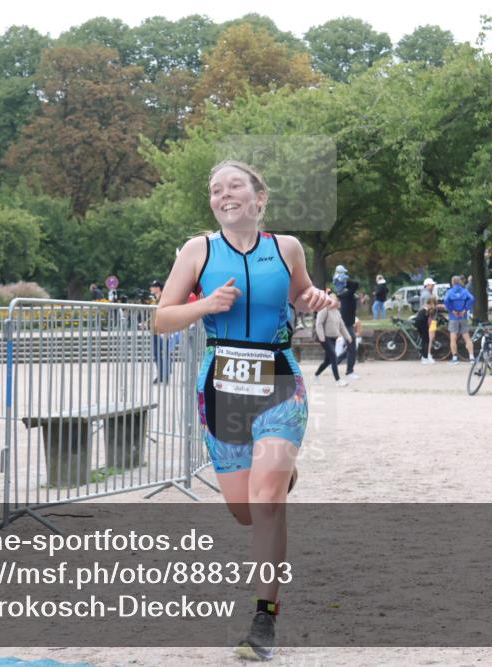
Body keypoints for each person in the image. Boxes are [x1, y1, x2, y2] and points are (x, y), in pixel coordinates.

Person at [154, 159, 333, 661]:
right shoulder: (198, 250)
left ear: (260, 199)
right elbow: (161, 320)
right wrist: (205, 305)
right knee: (243, 511)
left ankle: (262, 619)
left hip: (278, 378)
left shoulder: (288, 247)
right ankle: (276, 475)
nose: (224, 194)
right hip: (221, 384)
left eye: (235, 186)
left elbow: (300, 295)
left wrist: (315, 298)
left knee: (266, 499)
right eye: (215, 189)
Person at [313, 293, 352, 386]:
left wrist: (348, 337)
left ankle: (316, 375)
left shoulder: (337, 312)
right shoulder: (324, 309)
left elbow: (342, 326)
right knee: (334, 357)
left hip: (333, 338)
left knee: (327, 361)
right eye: (332, 299)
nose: (335, 301)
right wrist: (322, 337)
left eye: (336, 299)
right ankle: (338, 381)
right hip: (325, 338)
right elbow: (318, 323)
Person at [443, 276, 475, 364]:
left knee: (453, 338)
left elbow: (445, 300)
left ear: (452, 282)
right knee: (467, 337)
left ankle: (455, 358)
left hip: (453, 317)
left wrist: (451, 310)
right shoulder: (464, 291)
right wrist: (465, 309)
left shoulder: (450, 292)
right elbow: (472, 298)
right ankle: (471, 357)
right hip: (463, 316)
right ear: (460, 282)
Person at [335, 276, 360, 380]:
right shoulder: (347, 294)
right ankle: (349, 372)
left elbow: (354, 285)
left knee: (350, 348)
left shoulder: (345, 294)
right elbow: (356, 283)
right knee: (352, 348)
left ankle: (335, 361)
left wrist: (345, 281)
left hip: (347, 324)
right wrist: (346, 280)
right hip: (346, 325)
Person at [149, 280, 172, 384]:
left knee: (164, 354)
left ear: (158, 288)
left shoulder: (164, 298)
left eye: (153, 286)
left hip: (162, 330)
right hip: (155, 330)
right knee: (157, 354)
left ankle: (165, 375)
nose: (151, 288)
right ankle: (161, 375)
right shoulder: (155, 299)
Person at [412, 297, 439, 364]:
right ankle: (424, 357)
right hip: (423, 324)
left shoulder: (424, 307)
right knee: (426, 340)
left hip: (419, 323)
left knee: (425, 340)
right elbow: (430, 320)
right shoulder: (431, 309)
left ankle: (425, 356)